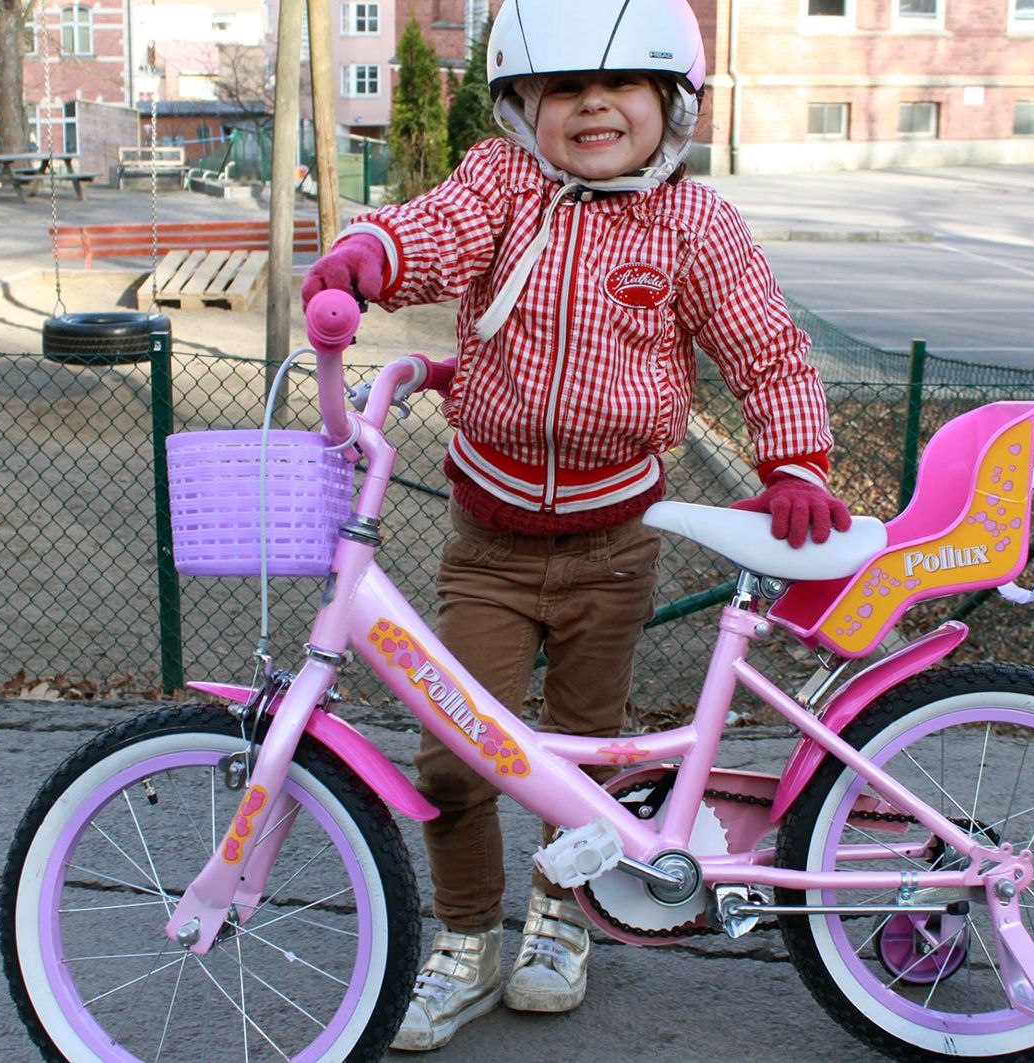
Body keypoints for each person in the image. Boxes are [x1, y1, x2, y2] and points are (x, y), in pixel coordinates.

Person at [300, 0, 849, 1050]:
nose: (594, 107)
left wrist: (793, 464)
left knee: (588, 762)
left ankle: (561, 923)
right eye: (564, 90)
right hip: (489, 545)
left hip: (613, 545)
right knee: (458, 755)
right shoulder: (503, 185)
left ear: (670, 102)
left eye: (621, 85)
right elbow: (436, 228)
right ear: (523, 106)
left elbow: (767, 349)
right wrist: (369, 253)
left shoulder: (693, 225)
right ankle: (467, 937)